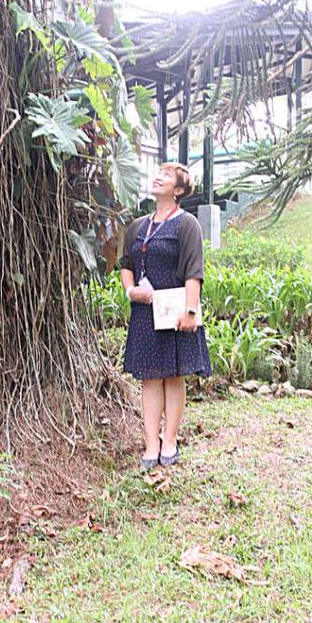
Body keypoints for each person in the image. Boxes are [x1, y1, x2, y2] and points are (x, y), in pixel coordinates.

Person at [118, 163, 211, 470]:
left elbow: (193, 271)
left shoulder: (187, 224)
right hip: (146, 312)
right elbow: (127, 264)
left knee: (173, 376)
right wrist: (131, 292)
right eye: (158, 173)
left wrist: (191, 310)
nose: (158, 177)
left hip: (175, 310)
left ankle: (169, 440)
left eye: (167, 176)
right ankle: (150, 443)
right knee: (149, 378)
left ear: (179, 190)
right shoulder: (138, 226)